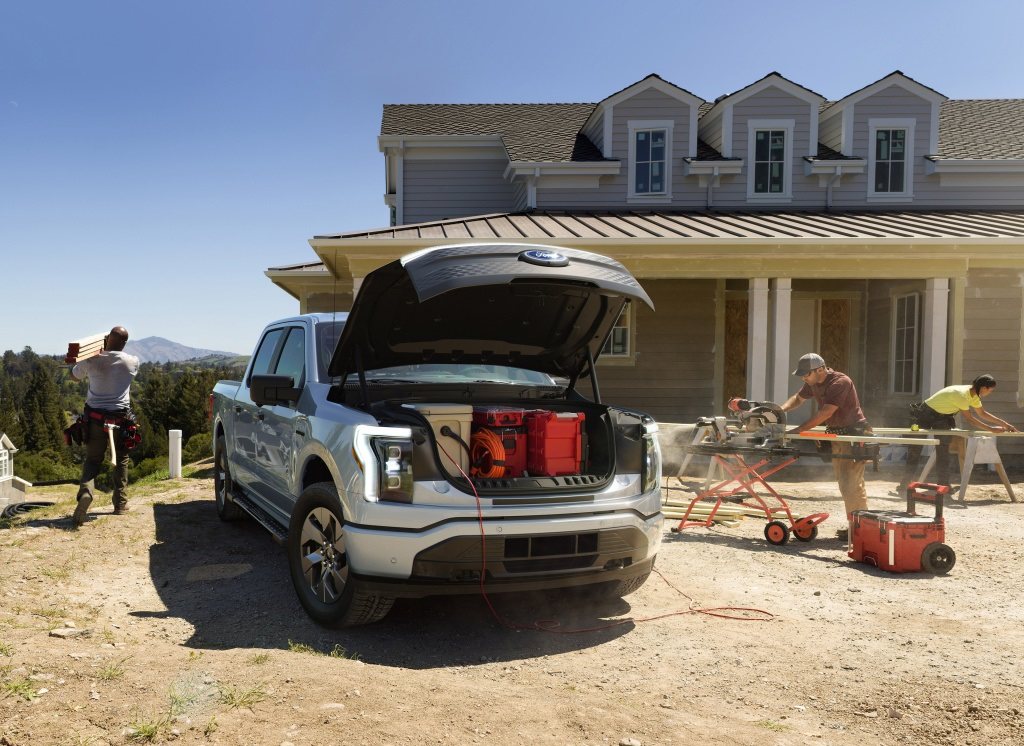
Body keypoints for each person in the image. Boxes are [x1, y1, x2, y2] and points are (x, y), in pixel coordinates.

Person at [780, 353, 872, 539]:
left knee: (851, 483)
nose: (804, 378)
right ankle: (857, 526)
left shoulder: (840, 382)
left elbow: (826, 412)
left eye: (806, 374)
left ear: (820, 369)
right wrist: (780, 410)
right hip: (838, 434)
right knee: (845, 482)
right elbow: (798, 398)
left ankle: (860, 529)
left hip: (853, 435)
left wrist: (800, 430)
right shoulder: (813, 382)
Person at [897, 374, 1018, 492]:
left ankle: (943, 484)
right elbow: (970, 419)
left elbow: (982, 413)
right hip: (926, 413)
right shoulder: (962, 395)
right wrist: (991, 429)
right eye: (990, 390)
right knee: (916, 448)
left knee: (943, 450)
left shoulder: (974, 396)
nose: (990, 393)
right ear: (983, 387)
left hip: (943, 417)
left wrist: (1006, 425)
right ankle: (905, 483)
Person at [69, 326, 140, 526]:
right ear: (124, 343)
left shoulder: (92, 360)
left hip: (95, 419)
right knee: (121, 459)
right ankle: (120, 504)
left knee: (93, 460)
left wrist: (88, 356)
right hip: (120, 420)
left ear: (107, 339)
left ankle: (86, 493)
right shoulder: (132, 361)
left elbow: (74, 376)